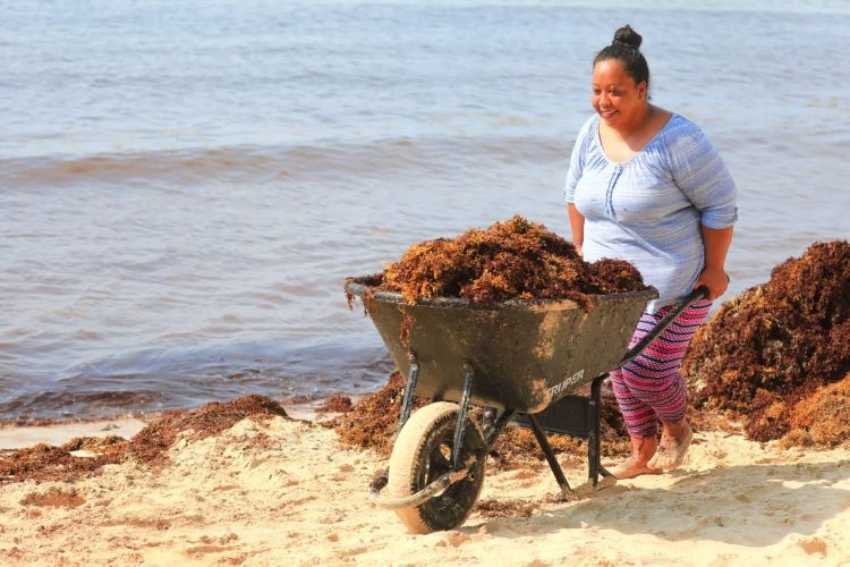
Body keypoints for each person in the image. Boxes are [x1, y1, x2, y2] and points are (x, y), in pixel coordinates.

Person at [564, 25, 737, 479]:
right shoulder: (590, 133)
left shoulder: (680, 140)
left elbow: (720, 206)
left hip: (675, 283)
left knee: (644, 369)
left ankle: (676, 429)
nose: (604, 102)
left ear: (642, 90)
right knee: (614, 366)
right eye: (597, 90)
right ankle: (641, 450)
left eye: (616, 92)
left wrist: (715, 268)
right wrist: (579, 249)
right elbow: (573, 194)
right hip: (610, 286)